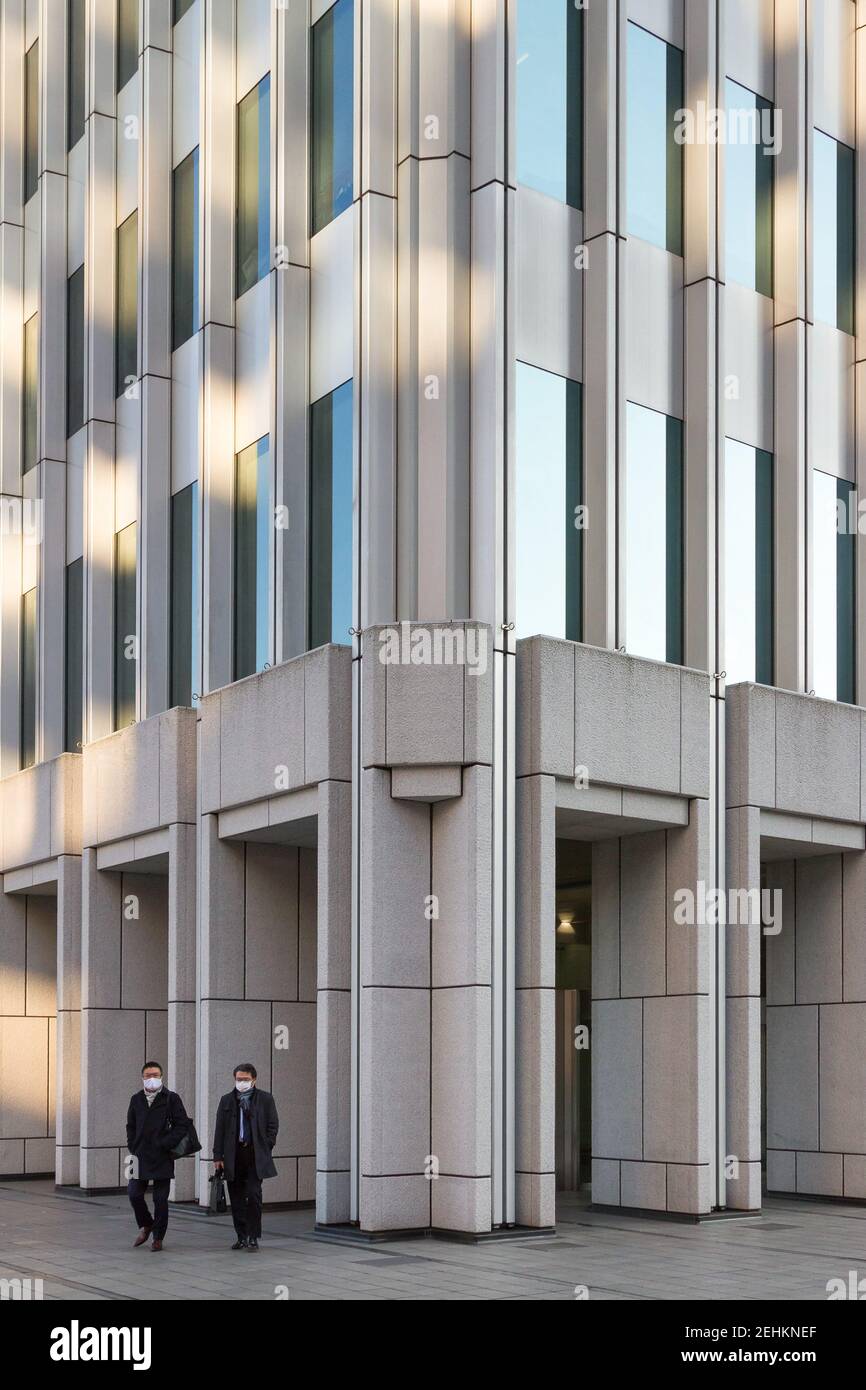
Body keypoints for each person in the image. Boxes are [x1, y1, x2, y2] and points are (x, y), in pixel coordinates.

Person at [212, 1063, 279, 1252]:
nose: (241, 1083)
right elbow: (220, 1130)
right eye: (238, 1079)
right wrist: (217, 1156)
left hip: (255, 1155)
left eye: (245, 1079)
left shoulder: (265, 1099)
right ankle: (241, 1236)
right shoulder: (227, 1100)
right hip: (233, 1155)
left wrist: (267, 1144)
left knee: (254, 1196)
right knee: (237, 1198)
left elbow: (273, 1125)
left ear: (254, 1080)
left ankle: (253, 1236)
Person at [126, 1061, 191, 1252]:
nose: (151, 1078)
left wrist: (166, 1143)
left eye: (155, 1075)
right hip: (139, 1155)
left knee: (160, 1199)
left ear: (161, 1077)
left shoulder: (171, 1098)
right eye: (148, 1075)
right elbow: (130, 1125)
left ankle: (158, 1237)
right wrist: (132, 1144)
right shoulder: (136, 1099)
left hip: (162, 1155)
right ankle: (147, 1224)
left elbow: (182, 1125)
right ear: (142, 1078)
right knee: (134, 1193)